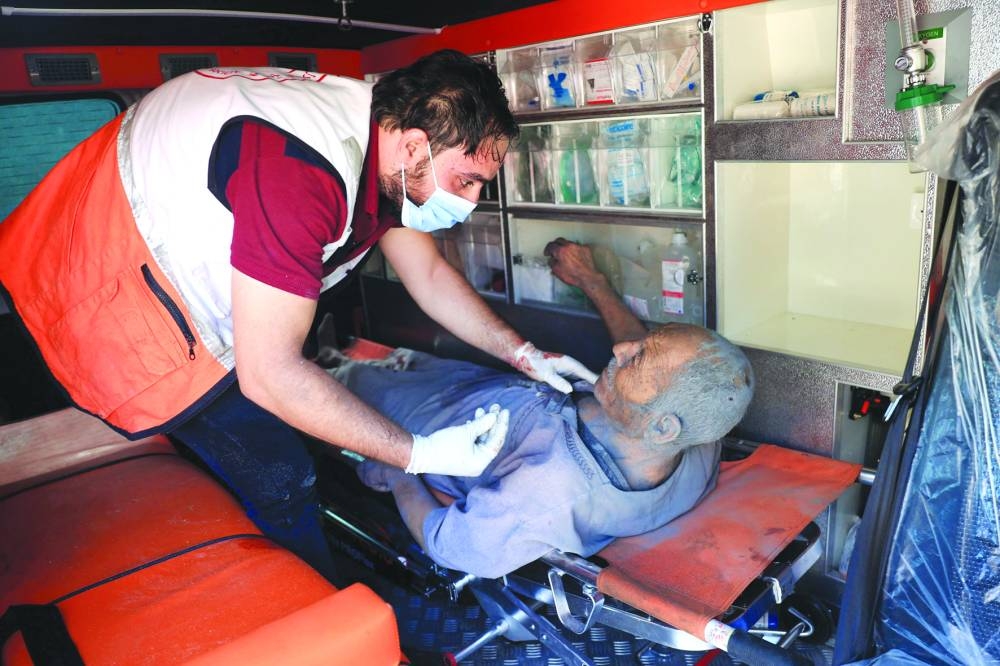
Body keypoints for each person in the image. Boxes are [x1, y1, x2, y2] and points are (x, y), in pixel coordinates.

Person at [0, 52, 596, 579]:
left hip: (150, 257)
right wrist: (419, 455)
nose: (469, 204)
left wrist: (525, 355)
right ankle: (309, 605)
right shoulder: (304, 168)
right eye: (466, 182)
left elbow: (431, 277)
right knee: (280, 472)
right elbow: (271, 374)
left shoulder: (382, 146)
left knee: (276, 436)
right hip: (95, 286)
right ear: (415, 145)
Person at [339, 239, 755, 577]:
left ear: (663, 428)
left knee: (346, 381)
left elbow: (450, 546)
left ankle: (336, 364)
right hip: (482, 384)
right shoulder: (693, 437)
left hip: (430, 423)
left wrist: (399, 471)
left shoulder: (548, 496)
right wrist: (592, 282)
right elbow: (661, 363)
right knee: (403, 363)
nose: (621, 349)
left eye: (638, 358)